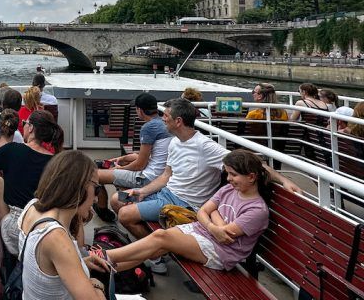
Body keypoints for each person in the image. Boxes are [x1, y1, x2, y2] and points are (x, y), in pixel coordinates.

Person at [115, 98, 298, 274]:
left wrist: (283, 180)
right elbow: (165, 176)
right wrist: (141, 192)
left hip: (184, 203)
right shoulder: (174, 142)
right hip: (168, 194)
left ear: (178, 121)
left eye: (166, 116)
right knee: (117, 200)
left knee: (127, 215)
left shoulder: (204, 146)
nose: (163, 119)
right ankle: (116, 262)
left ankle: (136, 258)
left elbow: (249, 163)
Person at [102, 150, 271, 273]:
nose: (228, 179)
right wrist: (214, 221)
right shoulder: (229, 189)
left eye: (233, 175)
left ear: (251, 177)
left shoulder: (256, 210)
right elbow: (204, 211)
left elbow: (225, 235)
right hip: (204, 232)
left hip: (220, 252)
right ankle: (108, 269)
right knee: (157, 246)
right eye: (228, 174)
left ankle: (105, 256)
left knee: (161, 237)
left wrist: (213, 215)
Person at [17, 150, 111, 299]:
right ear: (79, 186)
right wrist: (96, 285)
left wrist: (81, 262)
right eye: (97, 189)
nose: (95, 199)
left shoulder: (33, 207)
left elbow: (45, 268)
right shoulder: (56, 238)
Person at [0, 110, 64, 255]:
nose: (24, 126)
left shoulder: (12, 149)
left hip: (16, 231)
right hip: (43, 229)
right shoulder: (56, 161)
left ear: (31, 128)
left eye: (25, 123)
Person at [94, 93, 171, 220]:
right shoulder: (164, 124)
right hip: (160, 175)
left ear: (139, 110)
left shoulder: (149, 127)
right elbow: (149, 156)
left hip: (147, 178)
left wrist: (119, 169)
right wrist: (122, 159)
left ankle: (102, 210)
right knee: (112, 169)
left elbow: (140, 164)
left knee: (94, 175)